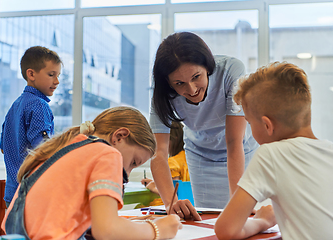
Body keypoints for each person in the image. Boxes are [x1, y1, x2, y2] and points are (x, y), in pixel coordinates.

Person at [2, 106, 182, 240]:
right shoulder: (107, 154)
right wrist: (157, 229)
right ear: (119, 136)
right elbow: (106, 231)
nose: (127, 172)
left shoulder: (65, 148)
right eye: (133, 162)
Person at [215, 62, 333, 240]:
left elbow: (226, 229)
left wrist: (262, 221)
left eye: (249, 123)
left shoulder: (270, 154)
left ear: (267, 125)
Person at [150, 31, 258, 218]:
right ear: (169, 83)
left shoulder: (231, 71)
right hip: (200, 155)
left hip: (242, 151)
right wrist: (171, 204)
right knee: (209, 219)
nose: (191, 89)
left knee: (245, 217)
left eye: (196, 77)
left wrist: (238, 204)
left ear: (207, 66)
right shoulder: (163, 94)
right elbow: (158, 153)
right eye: (179, 83)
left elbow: (234, 141)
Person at [0, 46, 62, 207]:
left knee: (16, 233)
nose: (57, 81)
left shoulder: (15, 106)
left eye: (58, 76)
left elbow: (3, 147)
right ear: (31, 74)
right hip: (32, 193)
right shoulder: (39, 106)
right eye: (51, 75)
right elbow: (44, 150)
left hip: (12, 193)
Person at [141, 121, 189, 206]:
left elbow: (175, 194)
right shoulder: (188, 159)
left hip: (170, 206)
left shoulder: (171, 162)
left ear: (174, 139)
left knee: (140, 206)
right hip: (190, 203)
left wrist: (152, 187)